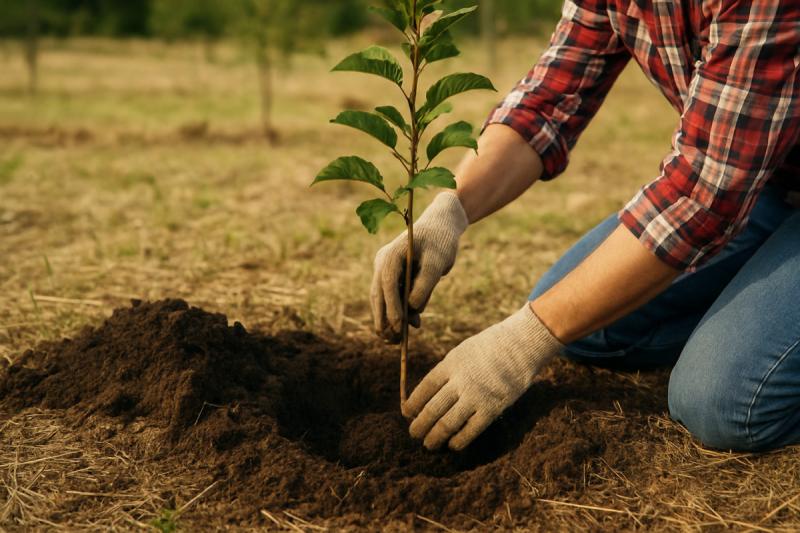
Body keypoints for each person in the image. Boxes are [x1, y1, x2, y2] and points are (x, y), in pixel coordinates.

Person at [371, 0, 800, 453]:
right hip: (765, 182)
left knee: (724, 402)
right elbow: (546, 102)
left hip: (731, 187)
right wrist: (449, 211)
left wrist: (523, 340)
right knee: (583, 324)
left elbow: (704, 195)